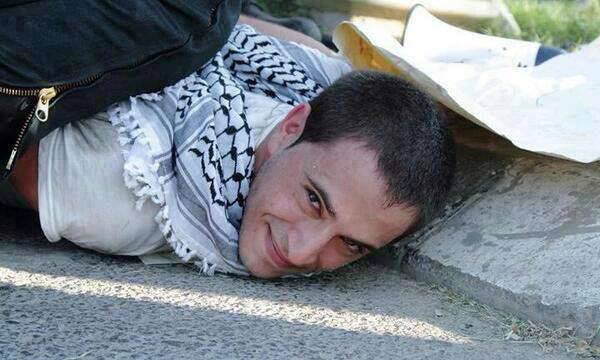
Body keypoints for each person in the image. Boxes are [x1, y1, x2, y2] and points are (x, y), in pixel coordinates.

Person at [0, 16, 455, 279]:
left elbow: (226, 23)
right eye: (314, 201)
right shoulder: (130, 200)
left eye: (351, 245)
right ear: (290, 126)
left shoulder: (320, 89)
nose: (301, 254)